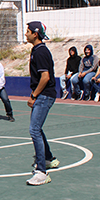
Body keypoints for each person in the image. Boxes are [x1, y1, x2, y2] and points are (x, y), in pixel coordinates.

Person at [25, 21, 60, 186]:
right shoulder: (37, 50)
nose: (26, 34)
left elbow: (45, 77)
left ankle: (41, 172)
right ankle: (47, 158)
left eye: (28, 31)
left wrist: (34, 95)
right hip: (43, 94)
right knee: (37, 128)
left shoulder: (40, 52)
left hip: (44, 95)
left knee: (34, 130)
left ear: (35, 33)